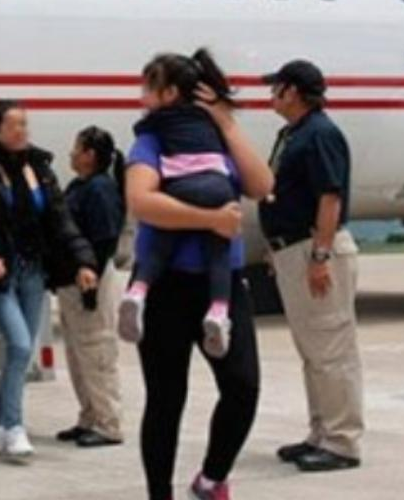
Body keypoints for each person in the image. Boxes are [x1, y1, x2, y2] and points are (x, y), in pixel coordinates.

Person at [127, 52, 274, 500]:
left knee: (243, 386)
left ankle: (211, 479)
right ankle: (159, 493)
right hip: (166, 285)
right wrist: (210, 219)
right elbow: (142, 201)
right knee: (166, 398)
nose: (141, 97)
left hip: (221, 284)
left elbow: (262, 185)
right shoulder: (152, 141)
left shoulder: (218, 141)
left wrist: (228, 124)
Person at [0, 100, 97, 456]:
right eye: (14, 124)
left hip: (33, 269)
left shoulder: (39, 167)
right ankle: (14, 426)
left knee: (19, 352)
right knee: (22, 345)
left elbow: (60, 218)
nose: (22, 130)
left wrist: (84, 260)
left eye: (24, 123)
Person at [260, 59, 364, 473]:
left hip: (315, 248)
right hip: (295, 248)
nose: (271, 95)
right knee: (314, 351)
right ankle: (321, 432)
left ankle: (342, 442)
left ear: (293, 92)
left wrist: (320, 256)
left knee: (331, 350)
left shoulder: (320, 134)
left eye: (276, 88)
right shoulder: (293, 134)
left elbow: (329, 197)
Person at [119, 50, 242, 359]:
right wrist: (215, 219)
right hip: (218, 187)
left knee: (162, 241)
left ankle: (138, 290)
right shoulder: (213, 125)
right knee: (219, 254)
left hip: (181, 187)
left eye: (148, 90)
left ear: (170, 93)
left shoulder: (152, 130)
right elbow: (264, 187)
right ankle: (219, 311)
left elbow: (140, 201)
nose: (142, 98)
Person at [60, 126, 129, 449]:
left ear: (89, 154)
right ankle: (89, 415)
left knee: (97, 350)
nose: (71, 154)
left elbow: (103, 241)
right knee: (78, 354)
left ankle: (109, 423)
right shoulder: (80, 186)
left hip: (91, 281)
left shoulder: (100, 190)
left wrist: (90, 282)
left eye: (77, 148)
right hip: (72, 281)